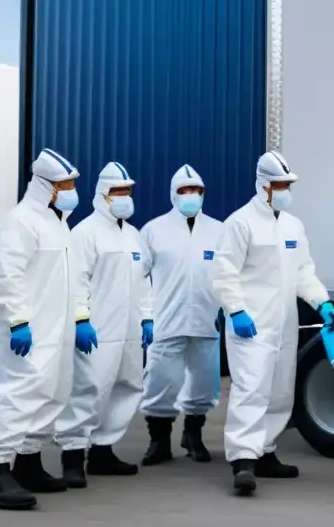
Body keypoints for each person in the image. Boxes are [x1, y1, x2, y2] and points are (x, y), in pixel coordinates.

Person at [0, 148, 99, 511]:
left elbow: (75, 277)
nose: (71, 190)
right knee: (17, 396)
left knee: (52, 394)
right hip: (27, 332)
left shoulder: (57, 224)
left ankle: (28, 462)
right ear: (45, 186)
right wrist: (17, 321)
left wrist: (80, 317)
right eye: (65, 184)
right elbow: (5, 275)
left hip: (56, 332)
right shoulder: (20, 222)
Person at [213, 151, 334, 496]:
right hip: (250, 325)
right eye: (281, 185)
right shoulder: (240, 223)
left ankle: (266, 451)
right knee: (251, 389)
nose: (286, 190)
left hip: (284, 324)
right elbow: (224, 273)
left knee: (280, 390)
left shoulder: (292, 226)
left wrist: (322, 301)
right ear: (264, 186)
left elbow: (304, 272)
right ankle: (243, 461)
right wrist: (235, 310)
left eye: (289, 184)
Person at [54, 161, 151, 486]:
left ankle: (103, 450)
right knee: (88, 390)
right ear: (102, 195)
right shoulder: (85, 233)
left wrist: (147, 318)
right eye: (118, 192)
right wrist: (81, 319)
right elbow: (77, 281)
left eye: (128, 191)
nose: (125, 197)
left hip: (129, 332)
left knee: (127, 387)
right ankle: (72, 456)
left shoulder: (134, 235)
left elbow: (144, 282)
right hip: (98, 329)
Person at [139, 164, 224, 466]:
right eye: (185, 191)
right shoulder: (153, 230)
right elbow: (139, 277)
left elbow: (230, 275)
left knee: (203, 383)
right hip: (166, 321)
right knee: (161, 380)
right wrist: (146, 315)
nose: (192, 196)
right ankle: (158, 441)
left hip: (205, 320)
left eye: (197, 191)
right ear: (173, 194)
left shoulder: (218, 230)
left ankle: (193, 435)